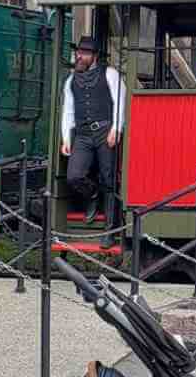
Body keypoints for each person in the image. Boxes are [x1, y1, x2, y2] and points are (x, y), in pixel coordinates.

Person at [60, 37, 124, 248]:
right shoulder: (70, 80)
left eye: (85, 53)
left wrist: (116, 129)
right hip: (83, 134)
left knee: (108, 178)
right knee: (74, 176)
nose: (80, 56)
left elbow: (119, 102)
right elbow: (68, 110)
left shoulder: (110, 74)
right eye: (79, 52)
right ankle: (93, 194)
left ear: (94, 56)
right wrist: (66, 138)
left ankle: (109, 231)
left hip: (105, 130)